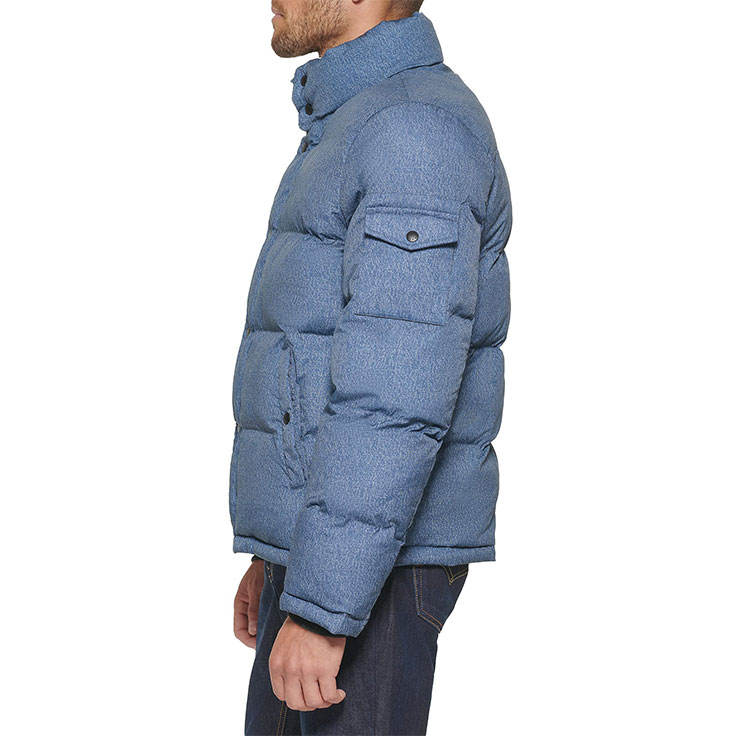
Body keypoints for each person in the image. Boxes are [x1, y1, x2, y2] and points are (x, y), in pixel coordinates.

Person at [231, 1, 511, 733]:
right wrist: (279, 553)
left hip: (370, 572)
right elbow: (316, 358)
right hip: (337, 557)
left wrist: (323, 607)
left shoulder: (413, 131)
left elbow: (395, 394)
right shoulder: (360, 122)